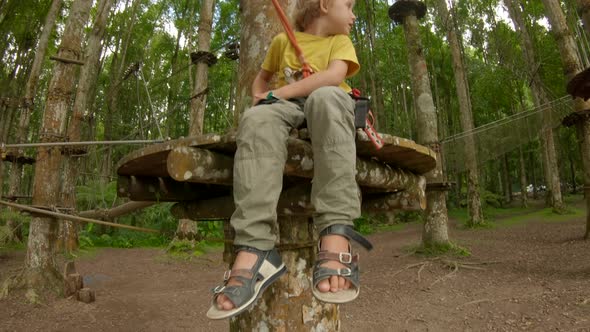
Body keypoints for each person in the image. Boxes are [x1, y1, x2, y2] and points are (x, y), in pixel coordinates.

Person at [207, 0, 372, 320]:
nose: (353, 15)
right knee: (256, 119)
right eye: (349, 5)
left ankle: (336, 229)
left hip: (328, 105)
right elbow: (263, 79)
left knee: (328, 97)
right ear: (324, 5)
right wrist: (260, 95)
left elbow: (332, 77)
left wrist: (276, 94)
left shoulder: (340, 41)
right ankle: (255, 245)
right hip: (286, 107)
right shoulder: (282, 42)